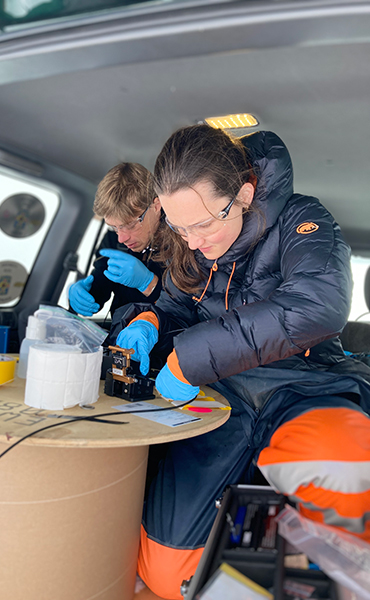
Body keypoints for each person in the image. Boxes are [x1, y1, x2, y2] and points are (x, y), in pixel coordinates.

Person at [115, 125, 370, 599]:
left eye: (204, 225)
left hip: (303, 384)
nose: (191, 242)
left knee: (346, 464)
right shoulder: (194, 248)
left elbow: (317, 306)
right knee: (170, 578)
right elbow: (175, 305)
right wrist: (148, 318)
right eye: (178, 226)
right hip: (221, 397)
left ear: (245, 194)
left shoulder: (302, 219)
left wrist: (191, 359)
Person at [68, 163, 164, 322]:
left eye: (130, 225)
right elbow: (100, 286)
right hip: (119, 340)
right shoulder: (113, 240)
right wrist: (84, 295)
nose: (122, 238)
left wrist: (150, 284)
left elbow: (189, 306)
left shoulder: (184, 238)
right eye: (114, 227)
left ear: (156, 206)